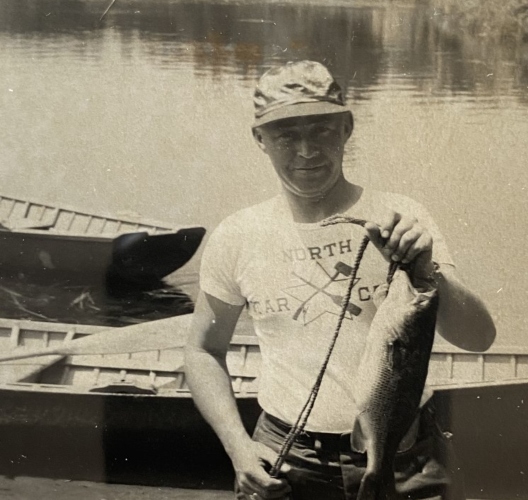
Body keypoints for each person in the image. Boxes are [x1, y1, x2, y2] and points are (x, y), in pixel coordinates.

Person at [184, 60, 496, 500]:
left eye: (322, 130)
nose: (307, 151)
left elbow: (479, 338)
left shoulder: (402, 217)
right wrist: (238, 449)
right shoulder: (238, 234)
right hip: (285, 456)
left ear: (347, 128)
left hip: (402, 454)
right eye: (286, 135)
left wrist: (427, 269)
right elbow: (202, 351)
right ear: (259, 139)